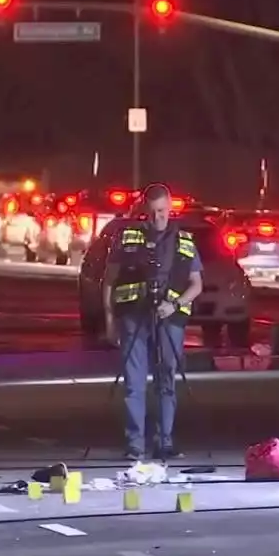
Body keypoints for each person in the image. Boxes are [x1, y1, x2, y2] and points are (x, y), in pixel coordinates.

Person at [104, 183, 204, 461]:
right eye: (151, 212)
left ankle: (165, 442)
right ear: (142, 211)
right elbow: (110, 280)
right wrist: (109, 319)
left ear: (170, 209)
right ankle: (135, 444)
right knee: (134, 383)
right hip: (134, 317)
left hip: (169, 320)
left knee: (166, 381)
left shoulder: (184, 240)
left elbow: (196, 285)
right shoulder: (128, 238)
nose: (156, 218)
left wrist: (174, 304)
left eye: (161, 211)